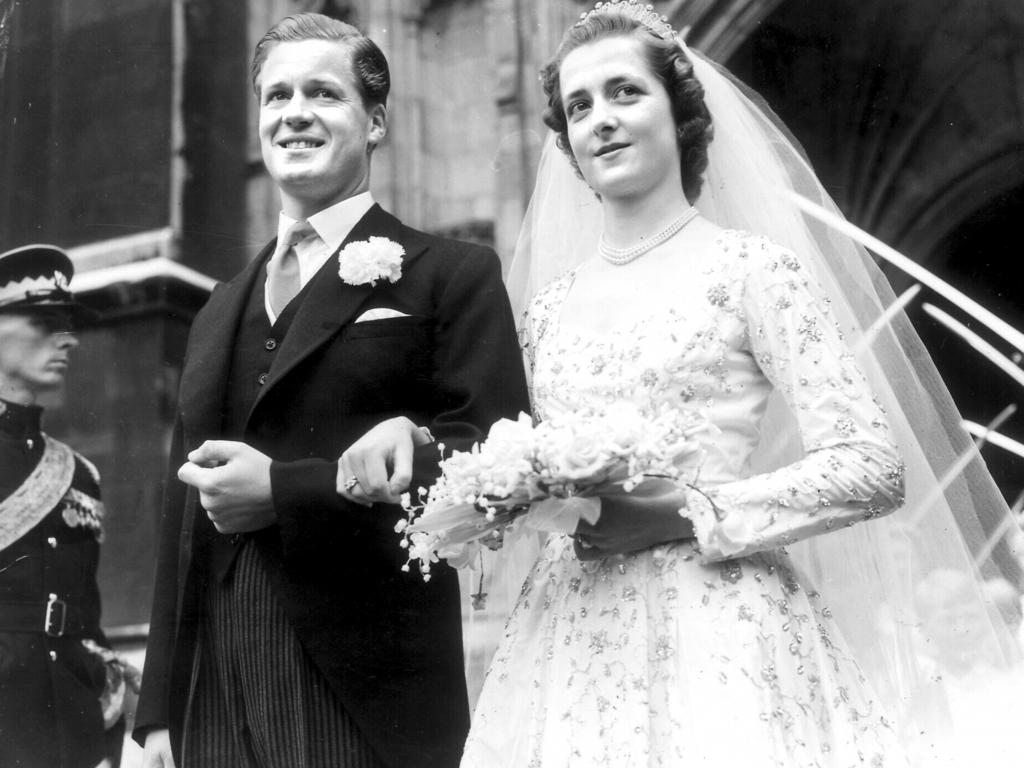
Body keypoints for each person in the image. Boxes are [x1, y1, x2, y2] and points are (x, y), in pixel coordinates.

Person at [454, 2, 1021, 765]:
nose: (602, 120)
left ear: (679, 113)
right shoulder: (547, 310)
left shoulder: (751, 270)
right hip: (569, 640)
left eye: (626, 92)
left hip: (721, 625)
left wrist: (696, 511)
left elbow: (871, 463)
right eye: (579, 106)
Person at [133, 13, 528, 768]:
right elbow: (182, 510)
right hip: (212, 684)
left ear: (375, 121)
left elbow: (499, 467)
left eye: (324, 93)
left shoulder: (448, 274)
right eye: (276, 95)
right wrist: (156, 712)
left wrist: (289, 490)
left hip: (365, 679)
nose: (295, 113)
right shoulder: (219, 305)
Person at [0, 244, 129, 767]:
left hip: (70, 712)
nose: (69, 339)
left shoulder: (81, 474)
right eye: (44, 322)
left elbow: (87, 617)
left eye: (69, 324)